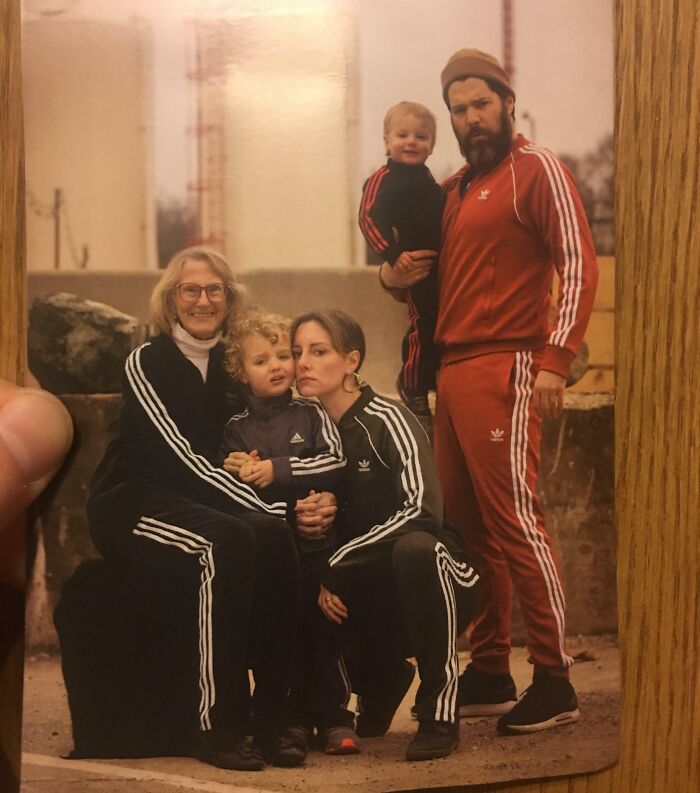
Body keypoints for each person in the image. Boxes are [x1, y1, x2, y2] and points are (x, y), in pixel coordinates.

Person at [380, 49, 599, 735]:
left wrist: (556, 360)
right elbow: (422, 275)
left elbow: (579, 263)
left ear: (506, 101)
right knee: (468, 529)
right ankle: (491, 668)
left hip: (508, 364)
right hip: (453, 369)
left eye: (481, 103)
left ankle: (556, 675)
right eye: (458, 109)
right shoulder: (451, 188)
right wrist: (391, 277)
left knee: (517, 522)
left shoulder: (537, 170)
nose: (471, 117)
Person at [56, 247, 307, 771]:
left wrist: (304, 498)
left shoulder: (238, 366)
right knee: (229, 540)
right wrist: (263, 507)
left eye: (215, 289)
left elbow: (272, 439)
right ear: (171, 299)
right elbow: (183, 460)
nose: (203, 300)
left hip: (206, 499)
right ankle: (217, 726)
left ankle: (274, 719)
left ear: (229, 297)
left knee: (276, 539)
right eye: (190, 289)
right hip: (135, 500)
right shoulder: (145, 362)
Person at [291, 309, 480, 762]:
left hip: (441, 577)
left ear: (351, 361)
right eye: (297, 352)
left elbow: (423, 511)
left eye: (319, 352)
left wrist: (339, 564)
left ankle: (439, 711)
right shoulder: (306, 433)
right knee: (293, 565)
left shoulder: (386, 419)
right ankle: (377, 680)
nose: (303, 363)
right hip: (369, 591)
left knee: (416, 550)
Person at [219, 312, 359, 754]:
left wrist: (278, 469)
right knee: (285, 635)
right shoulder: (234, 429)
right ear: (241, 371)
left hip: (318, 547)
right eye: (262, 360)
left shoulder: (311, 412)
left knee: (324, 631)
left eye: (284, 355)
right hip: (276, 555)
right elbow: (230, 495)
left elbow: (334, 463)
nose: (278, 365)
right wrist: (240, 471)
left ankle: (335, 717)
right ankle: (293, 719)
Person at [358, 101, 444, 421]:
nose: (411, 142)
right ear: (386, 141)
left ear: (432, 146)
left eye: (421, 137)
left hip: (440, 268)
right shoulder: (384, 178)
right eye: (402, 135)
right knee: (422, 324)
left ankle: (432, 376)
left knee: (440, 323)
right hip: (412, 267)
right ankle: (412, 385)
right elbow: (368, 218)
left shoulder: (430, 182)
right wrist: (393, 257)